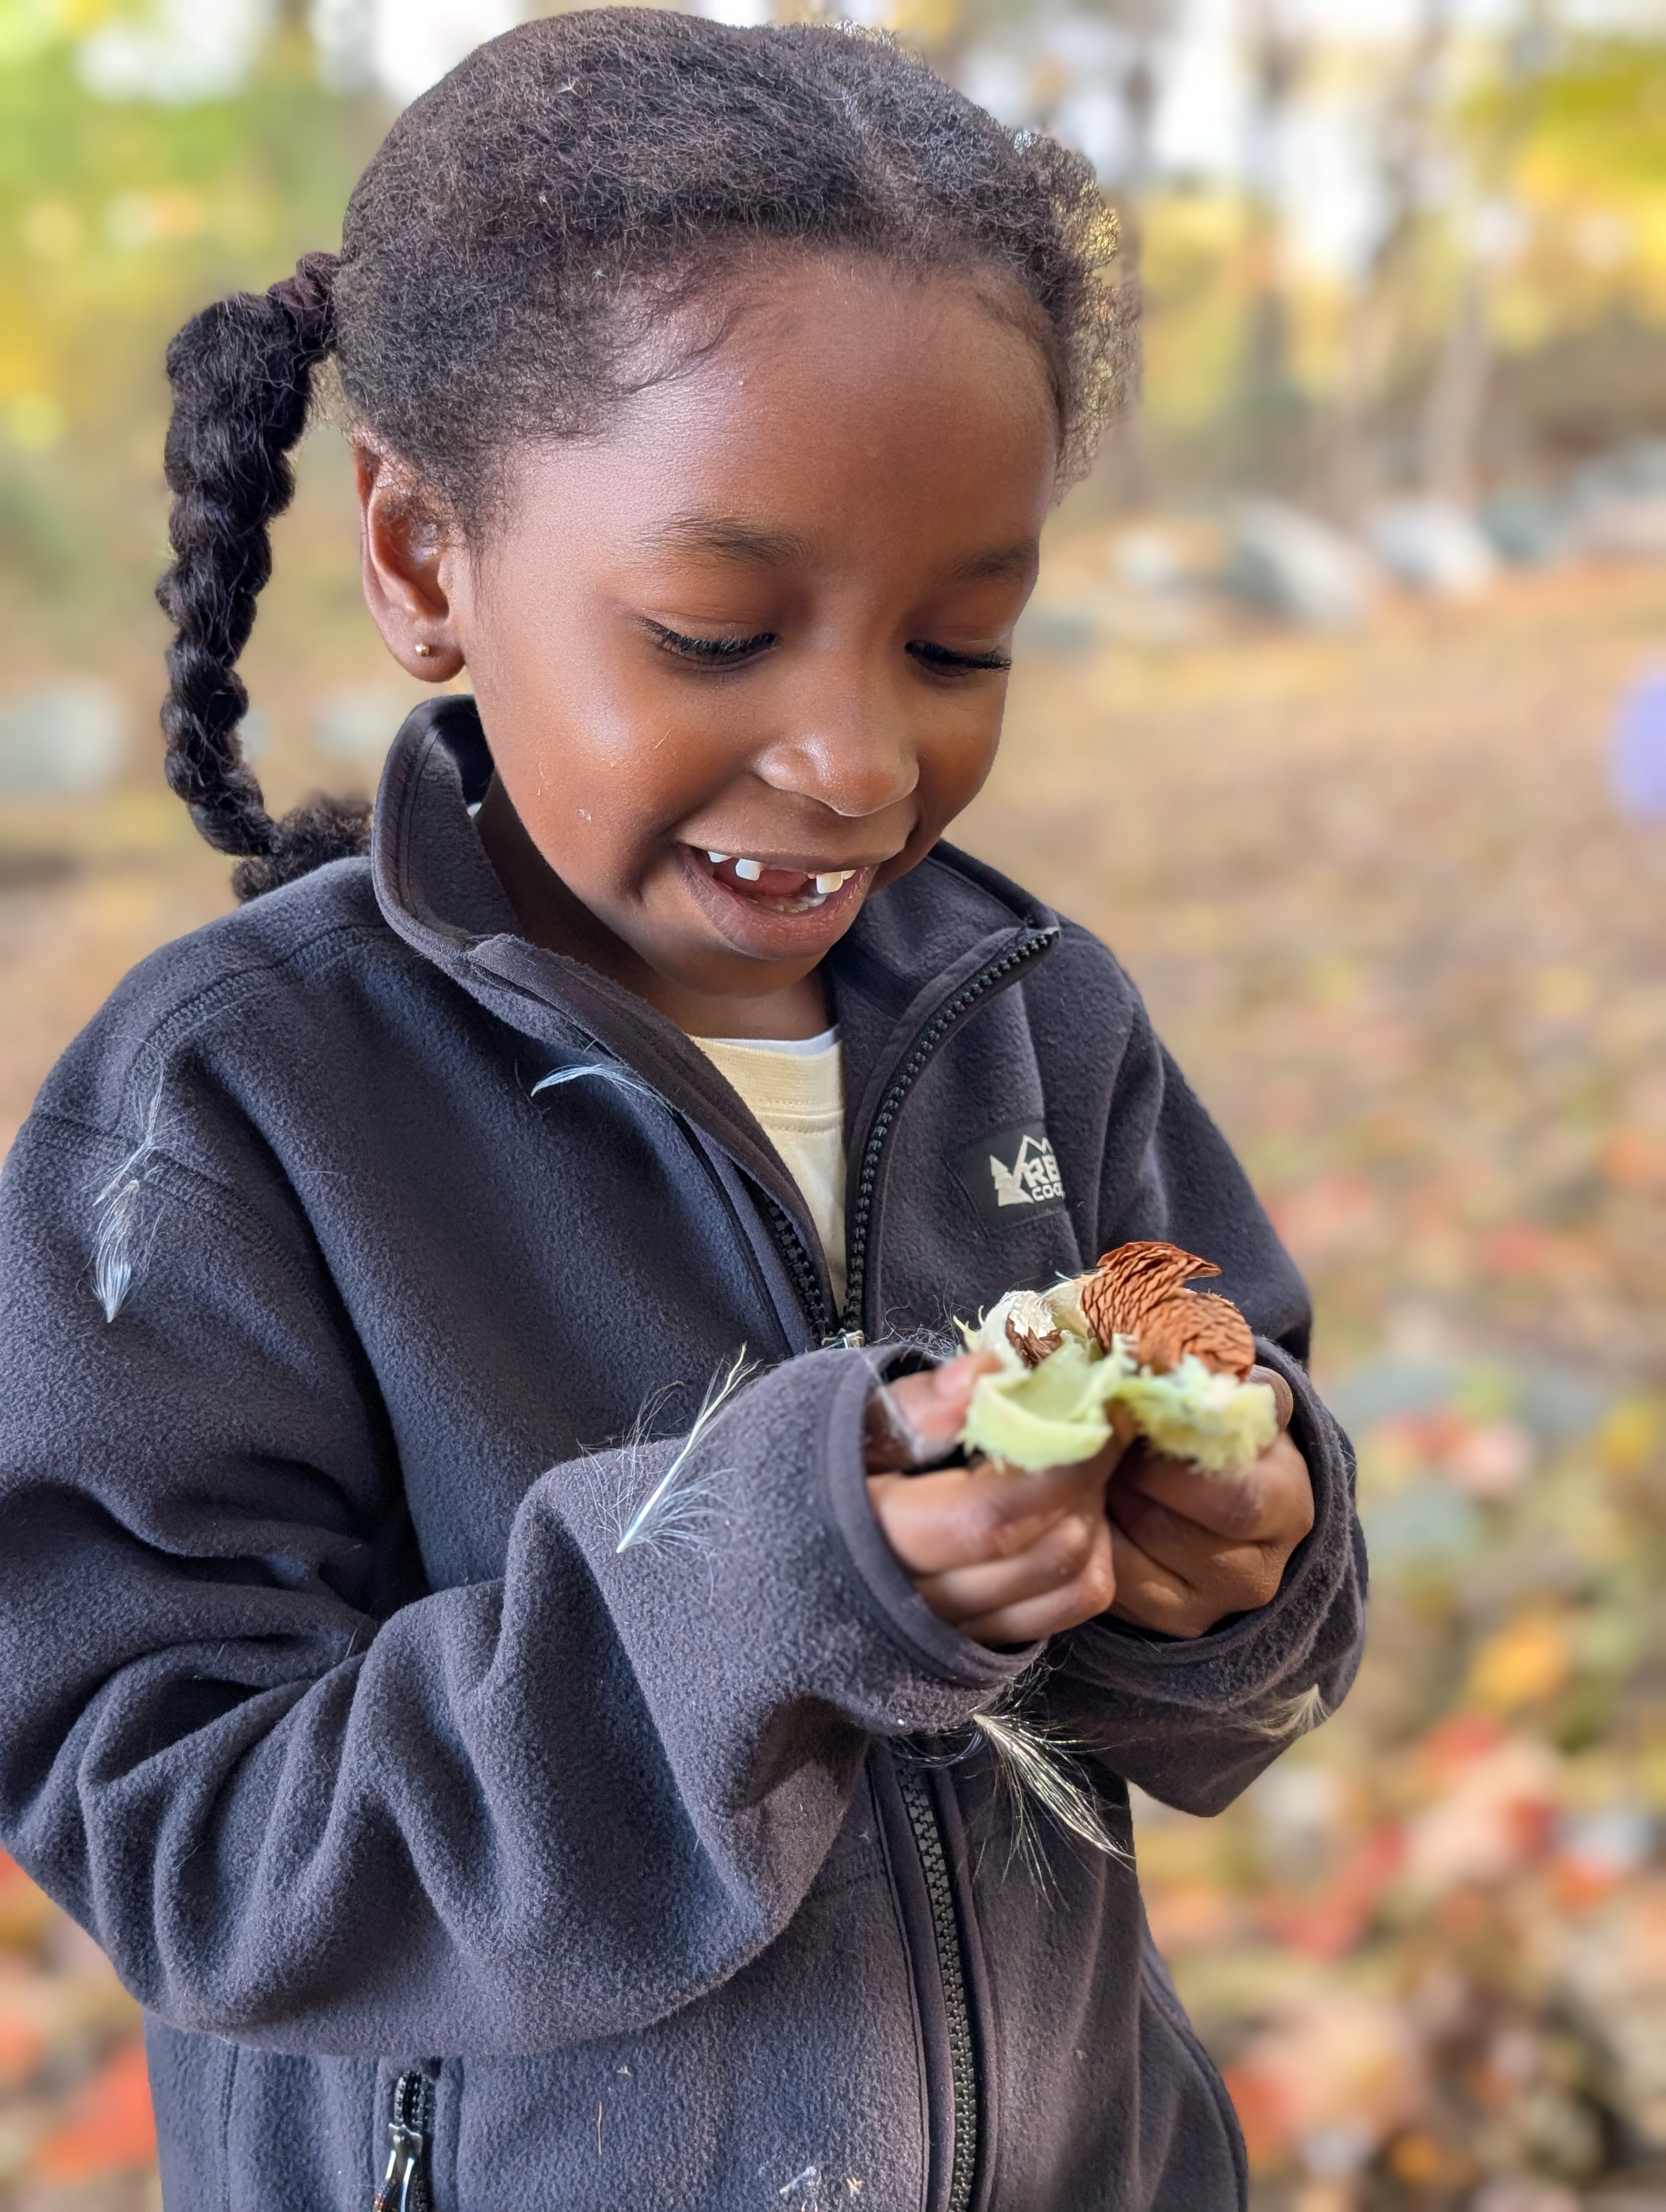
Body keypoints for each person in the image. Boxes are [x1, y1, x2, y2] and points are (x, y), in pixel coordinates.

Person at [0, 14, 1364, 2209]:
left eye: (957, 646)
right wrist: (779, 1583)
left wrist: (1230, 1573)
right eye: (719, 635)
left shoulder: (1035, 1021)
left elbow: (1202, 1702)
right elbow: (192, 1839)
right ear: (425, 556)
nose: (858, 761)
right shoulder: (230, 1111)